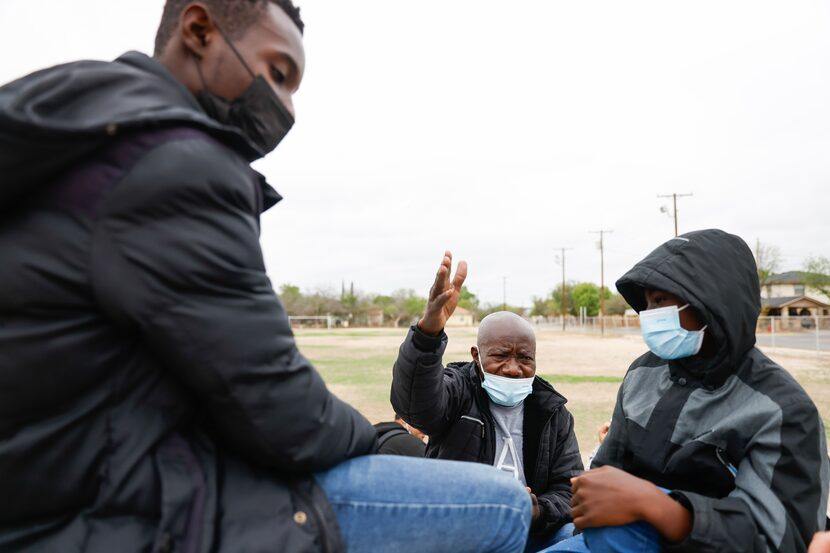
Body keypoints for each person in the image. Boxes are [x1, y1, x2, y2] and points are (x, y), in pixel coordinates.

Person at [0, 2, 532, 552]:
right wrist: (379, 436)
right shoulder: (175, 163)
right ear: (199, 30)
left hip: (53, 484)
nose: (287, 107)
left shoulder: (76, 132)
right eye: (278, 74)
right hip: (110, 508)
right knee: (503, 505)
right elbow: (282, 412)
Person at [544, 229, 829, 553]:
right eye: (648, 303)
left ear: (713, 301)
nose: (650, 315)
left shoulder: (782, 411)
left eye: (662, 301)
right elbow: (608, 470)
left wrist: (662, 509)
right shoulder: (643, 372)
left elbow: (782, 538)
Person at [391, 252, 584, 551]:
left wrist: (537, 510)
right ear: (476, 356)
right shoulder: (457, 391)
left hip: (527, 530)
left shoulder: (552, 412)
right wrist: (428, 333)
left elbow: (568, 488)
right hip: (459, 529)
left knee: (581, 538)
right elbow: (416, 407)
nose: (513, 368)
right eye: (500, 355)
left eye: (524, 358)